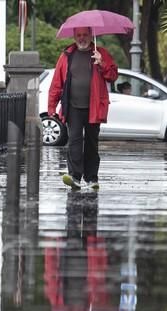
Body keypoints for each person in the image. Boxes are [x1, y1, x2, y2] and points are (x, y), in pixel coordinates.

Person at [48, 27, 118, 190]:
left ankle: (92, 178)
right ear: (74, 36)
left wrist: (102, 63)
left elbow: (113, 76)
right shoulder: (67, 56)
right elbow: (56, 83)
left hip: (94, 106)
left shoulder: (100, 53)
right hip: (72, 107)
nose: (82, 38)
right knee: (74, 141)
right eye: (78, 35)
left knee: (92, 143)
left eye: (85, 35)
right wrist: (52, 106)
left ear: (90, 35)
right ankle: (74, 176)